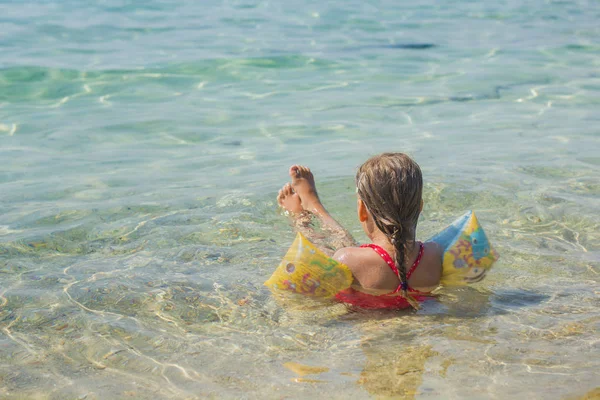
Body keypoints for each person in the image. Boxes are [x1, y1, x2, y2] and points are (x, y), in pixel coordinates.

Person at [276, 153, 443, 309]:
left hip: (360, 314)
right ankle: (313, 205)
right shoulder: (434, 254)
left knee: (330, 249)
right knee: (352, 250)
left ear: (362, 210)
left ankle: (302, 216)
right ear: (420, 207)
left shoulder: (348, 259)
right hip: (386, 269)